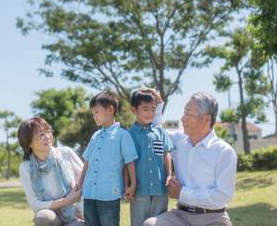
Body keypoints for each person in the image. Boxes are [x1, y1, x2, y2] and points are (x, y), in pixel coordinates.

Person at [143, 92, 238, 226]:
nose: (183, 118)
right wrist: (157, 106)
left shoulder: (224, 152)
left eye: (188, 113)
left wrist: (184, 193)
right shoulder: (178, 140)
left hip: (213, 218)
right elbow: (157, 133)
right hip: (180, 216)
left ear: (206, 119)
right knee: (150, 224)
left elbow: (224, 195)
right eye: (184, 112)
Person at [76, 91, 138, 226]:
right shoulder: (95, 136)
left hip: (109, 195)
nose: (94, 116)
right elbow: (87, 161)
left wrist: (132, 184)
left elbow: (129, 162)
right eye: (93, 113)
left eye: (96, 112)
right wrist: (80, 183)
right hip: (89, 194)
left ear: (110, 110)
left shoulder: (122, 135)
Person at [18, 117, 84, 226]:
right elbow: (35, 204)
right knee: (43, 218)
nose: (48, 137)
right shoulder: (25, 168)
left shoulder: (66, 153)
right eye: (41, 134)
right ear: (29, 142)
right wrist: (67, 200)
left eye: (48, 132)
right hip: (52, 216)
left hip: (75, 213)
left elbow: (87, 179)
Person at [125, 90, 175, 226]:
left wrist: (170, 175)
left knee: (158, 223)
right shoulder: (128, 135)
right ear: (134, 110)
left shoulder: (161, 133)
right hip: (139, 191)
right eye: (145, 109)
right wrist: (127, 185)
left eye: (153, 109)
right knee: (138, 223)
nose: (150, 113)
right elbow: (126, 163)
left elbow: (166, 155)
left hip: (160, 190)